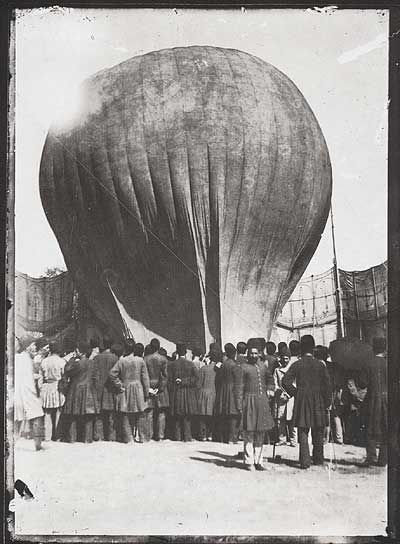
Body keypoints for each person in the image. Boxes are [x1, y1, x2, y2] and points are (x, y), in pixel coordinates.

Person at [282, 335, 332, 469]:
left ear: (301, 348)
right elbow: (327, 385)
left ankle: (304, 461)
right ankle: (318, 459)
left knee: (303, 429)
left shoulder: (297, 364)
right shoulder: (320, 365)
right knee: (318, 429)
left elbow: (285, 381)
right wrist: (327, 401)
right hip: (318, 399)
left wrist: (295, 392)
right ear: (313, 348)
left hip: (302, 398)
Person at [237, 346, 275, 471]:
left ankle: (259, 461)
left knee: (260, 432)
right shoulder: (243, 368)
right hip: (248, 402)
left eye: (255, 353)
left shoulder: (263, 366)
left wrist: (270, 389)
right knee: (249, 432)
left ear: (259, 354)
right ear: (247, 354)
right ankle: (249, 462)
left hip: (262, 402)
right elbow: (239, 388)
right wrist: (239, 405)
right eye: (251, 353)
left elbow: (270, 379)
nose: (253, 355)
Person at [109, 340, 150, 444]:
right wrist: (146, 392)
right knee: (140, 413)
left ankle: (128, 438)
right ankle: (143, 437)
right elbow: (145, 378)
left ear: (125, 349)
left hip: (126, 387)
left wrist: (119, 385)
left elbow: (112, 374)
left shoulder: (122, 361)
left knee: (126, 414)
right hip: (138, 388)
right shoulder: (140, 361)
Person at [61, 342, 99, 443]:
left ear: (81, 352)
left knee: (73, 415)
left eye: (77, 350)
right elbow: (96, 377)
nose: (75, 352)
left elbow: (67, 371)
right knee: (88, 416)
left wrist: (72, 359)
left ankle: (72, 438)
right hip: (89, 390)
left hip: (76, 389)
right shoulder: (93, 363)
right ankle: (87, 439)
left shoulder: (77, 364)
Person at [358, 336, 388, 467]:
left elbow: (362, 384)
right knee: (387, 428)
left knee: (369, 428)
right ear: (385, 348)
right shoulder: (389, 363)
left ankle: (371, 457)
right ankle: (384, 459)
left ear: (373, 348)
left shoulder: (367, 363)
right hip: (387, 399)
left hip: (372, 399)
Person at [15, 338, 45, 451]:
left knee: (16, 417)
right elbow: (28, 378)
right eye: (33, 345)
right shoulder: (26, 359)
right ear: (27, 346)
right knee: (37, 415)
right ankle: (38, 444)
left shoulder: (18, 357)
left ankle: (12, 441)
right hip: (27, 390)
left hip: (17, 391)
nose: (35, 347)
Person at [168, 342, 198, 442]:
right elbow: (196, 379)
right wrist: (185, 381)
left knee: (177, 416)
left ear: (177, 352)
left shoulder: (172, 365)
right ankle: (187, 437)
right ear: (185, 352)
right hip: (187, 393)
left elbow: (169, 380)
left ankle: (177, 437)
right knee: (187, 416)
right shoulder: (191, 364)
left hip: (176, 393)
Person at [214, 343, 242, 443]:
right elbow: (238, 382)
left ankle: (224, 438)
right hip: (232, 390)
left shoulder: (223, 365)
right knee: (233, 415)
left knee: (225, 414)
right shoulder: (235, 366)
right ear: (234, 353)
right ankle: (232, 438)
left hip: (223, 390)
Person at [92, 336, 119, 441]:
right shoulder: (115, 358)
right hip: (111, 388)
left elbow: (94, 374)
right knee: (112, 414)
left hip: (99, 388)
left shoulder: (97, 358)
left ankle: (98, 436)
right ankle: (111, 436)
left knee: (99, 414)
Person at [38, 341, 66, 441]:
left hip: (46, 387)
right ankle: (57, 435)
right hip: (57, 386)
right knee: (58, 410)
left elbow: (40, 377)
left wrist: (41, 388)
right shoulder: (62, 361)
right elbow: (64, 376)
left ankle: (47, 436)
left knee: (47, 412)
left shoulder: (44, 361)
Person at [144, 338, 169, 441]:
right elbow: (165, 376)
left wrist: (148, 388)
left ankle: (149, 435)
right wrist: (160, 388)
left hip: (149, 385)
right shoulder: (163, 359)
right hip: (160, 387)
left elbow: (144, 375)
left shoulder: (145, 359)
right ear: (158, 347)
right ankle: (160, 435)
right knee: (161, 412)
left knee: (149, 412)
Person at [272, 346, 296, 447]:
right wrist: (281, 393)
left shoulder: (293, 369)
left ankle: (293, 439)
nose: (285, 360)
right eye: (283, 358)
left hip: (291, 397)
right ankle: (282, 438)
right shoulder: (277, 370)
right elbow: (275, 384)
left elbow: (295, 383)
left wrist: (289, 394)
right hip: (281, 397)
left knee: (292, 419)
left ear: (289, 359)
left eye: (287, 358)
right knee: (280, 419)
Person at [196, 348, 217, 441]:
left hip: (203, 392)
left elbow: (198, 384)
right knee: (212, 415)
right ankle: (210, 434)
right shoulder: (218, 369)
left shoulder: (203, 369)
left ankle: (202, 434)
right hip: (214, 392)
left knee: (202, 415)